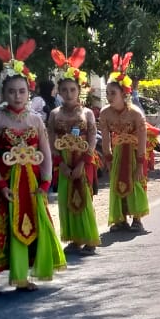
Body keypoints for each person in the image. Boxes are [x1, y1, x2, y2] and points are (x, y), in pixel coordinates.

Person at [0, 40, 66, 299]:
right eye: (12, 91)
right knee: (0, 228)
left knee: (31, 224)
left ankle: (22, 277)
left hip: (31, 184)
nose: (17, 96)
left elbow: (45, 153)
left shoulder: (35, 119)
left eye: (21, 91)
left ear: (29, 92)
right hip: (4, 184)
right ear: (3, 93)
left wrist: (45, 184)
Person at [47, 48, 101, 255]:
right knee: (65, 200)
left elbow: (92, 139)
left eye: (72, 90)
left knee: (84, 198)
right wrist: (60, 163)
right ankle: (75, 239)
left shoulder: (87, 113)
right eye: (64, 90)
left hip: (83, 161)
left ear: (79, 90)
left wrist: (82, 163)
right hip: (62, 162)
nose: (69, 94)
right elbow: (51, 141)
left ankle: (89, 239)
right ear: (59, 92)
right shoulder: (54, 115)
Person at [99, 54, 151, 232]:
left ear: (123, 93)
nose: (109, 96)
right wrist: (108, 158)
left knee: (137, 181)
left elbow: (143, 138)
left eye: (112, 93)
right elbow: (105, 138)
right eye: (107, 93)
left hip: (137, 152)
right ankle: (120, 219)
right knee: (117, 182)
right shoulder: (105, 113)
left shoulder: (136, 113)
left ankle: (137, 219)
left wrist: (141, 163)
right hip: (118, 152)